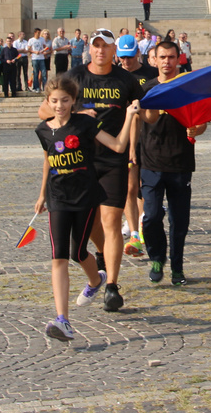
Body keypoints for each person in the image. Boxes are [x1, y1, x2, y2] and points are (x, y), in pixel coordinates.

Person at [38, 28, 143, 313]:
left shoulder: (126, 81)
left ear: (113, 51)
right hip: (79, 162)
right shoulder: (73, 77)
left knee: (111, 222)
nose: (100, 51)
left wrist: (134, 147)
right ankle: (101, 259)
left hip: (112, 161)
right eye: (95, 46)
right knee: (93, 225)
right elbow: (43, 113)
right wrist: (78, 115)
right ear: (89, 49)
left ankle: (112, 287)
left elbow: (138, 113)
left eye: (105, 47)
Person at [137, 40, 207, 286]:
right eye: (162, 57)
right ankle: (157, 257)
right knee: (152, 215)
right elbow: (147, 118)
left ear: (179, 59)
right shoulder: (147, 88)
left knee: (179, 221)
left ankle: (177, 266)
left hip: (180, 162)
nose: (167, 61)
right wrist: (158, 100)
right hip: (151, 162)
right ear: (154, 60)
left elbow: (202, 122)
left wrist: (195, 129)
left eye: (171, 57)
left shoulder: (189, 87)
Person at [115, 34, 158, 258]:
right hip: (122, 138)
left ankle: (140, 226)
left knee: (144, 188)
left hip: (148, 138)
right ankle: (136, 232)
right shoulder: (114, 75)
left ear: (138, 53)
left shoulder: (149, 75)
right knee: (130, 187)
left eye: (130, 57)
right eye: (122, 57)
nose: (126, 62)